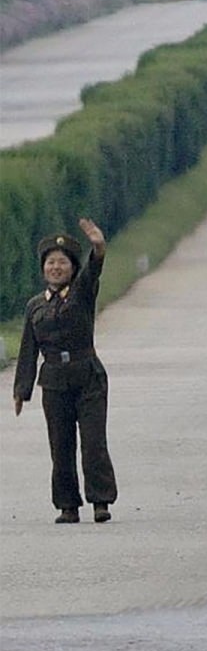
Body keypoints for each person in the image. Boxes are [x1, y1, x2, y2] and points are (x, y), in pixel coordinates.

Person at [13, 218, 118, 524]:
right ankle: (67, 505)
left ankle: (101, 501)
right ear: (43, 268)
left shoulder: (82, 293)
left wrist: (98, 246)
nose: (56, 267)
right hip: (55, 381)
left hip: (88, 377)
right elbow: (28, 350)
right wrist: (22, 390)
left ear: (72, 267)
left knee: (93, 442)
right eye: (50, 262)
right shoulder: (35, 306)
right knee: (60, 444)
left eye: (61, 262)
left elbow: (94, 269)